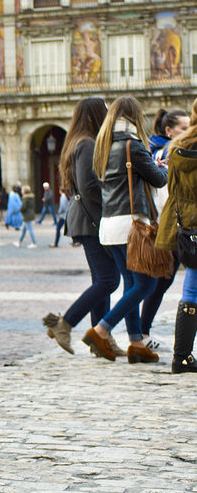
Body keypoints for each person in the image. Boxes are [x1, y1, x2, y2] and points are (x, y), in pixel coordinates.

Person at [81, 96, 167, 362]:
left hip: (109, 225)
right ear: (134, 117)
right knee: (146, 283)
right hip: (131, 224)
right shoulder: (132, 145)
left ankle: (136, 343)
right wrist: (160, 167)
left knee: (131, 283)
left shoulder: (102, 147)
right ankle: (101, 329)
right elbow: (158, 179)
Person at [42, 97, 124, 355]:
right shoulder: (86, 143)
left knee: (102, 279)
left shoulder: (77, 141)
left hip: (85, 217)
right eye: (105, 112)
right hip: (92, 218)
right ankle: (64, 324)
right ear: (94, 116)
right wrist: (107, 216)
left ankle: (101, 339)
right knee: (109, 281)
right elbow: (88, 186)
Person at [140, 108, 189, 351]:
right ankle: (141, 331)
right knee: (161, 281)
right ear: (169, 130)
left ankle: (141, 330)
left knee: (162, 281)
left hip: (173, 223)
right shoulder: (171, 152)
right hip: (174, 224)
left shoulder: (161, 150)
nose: (188, 131)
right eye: (183, 128)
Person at [155, 98, 197, 373]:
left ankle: (181, 356)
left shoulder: (179, 148)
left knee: (192, 287)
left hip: (190, 228)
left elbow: (173, 195)